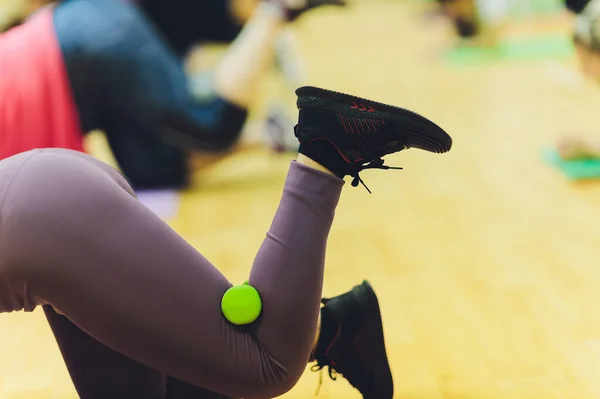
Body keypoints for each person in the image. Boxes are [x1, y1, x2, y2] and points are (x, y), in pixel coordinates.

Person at [0, 86, 453, 398]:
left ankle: (327, 152)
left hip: (44, 226)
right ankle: (333, 331)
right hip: (44, 187)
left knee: (265, 364)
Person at [0, 0, 343, 190]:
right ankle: (270, 132)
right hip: (82, 44)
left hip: (81, 43)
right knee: (152, 170)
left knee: (210, 122)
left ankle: (275, 9)